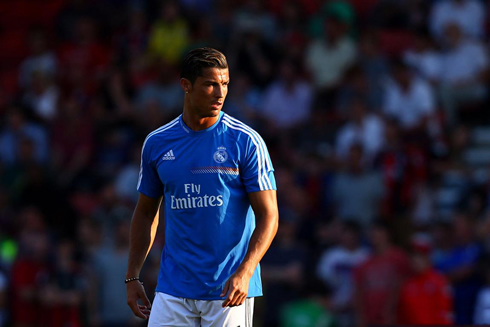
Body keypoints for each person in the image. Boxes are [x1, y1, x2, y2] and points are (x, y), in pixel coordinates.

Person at [125, 47, 279, 327]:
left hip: (228, 290)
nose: (220, 93)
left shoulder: (245, 141)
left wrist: (245, 272)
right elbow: (146, 212)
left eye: (225, 84)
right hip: (173, 288)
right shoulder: (157, 143)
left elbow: (269, 216)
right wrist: (133, 275)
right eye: (210, 84)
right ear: (186, 85)